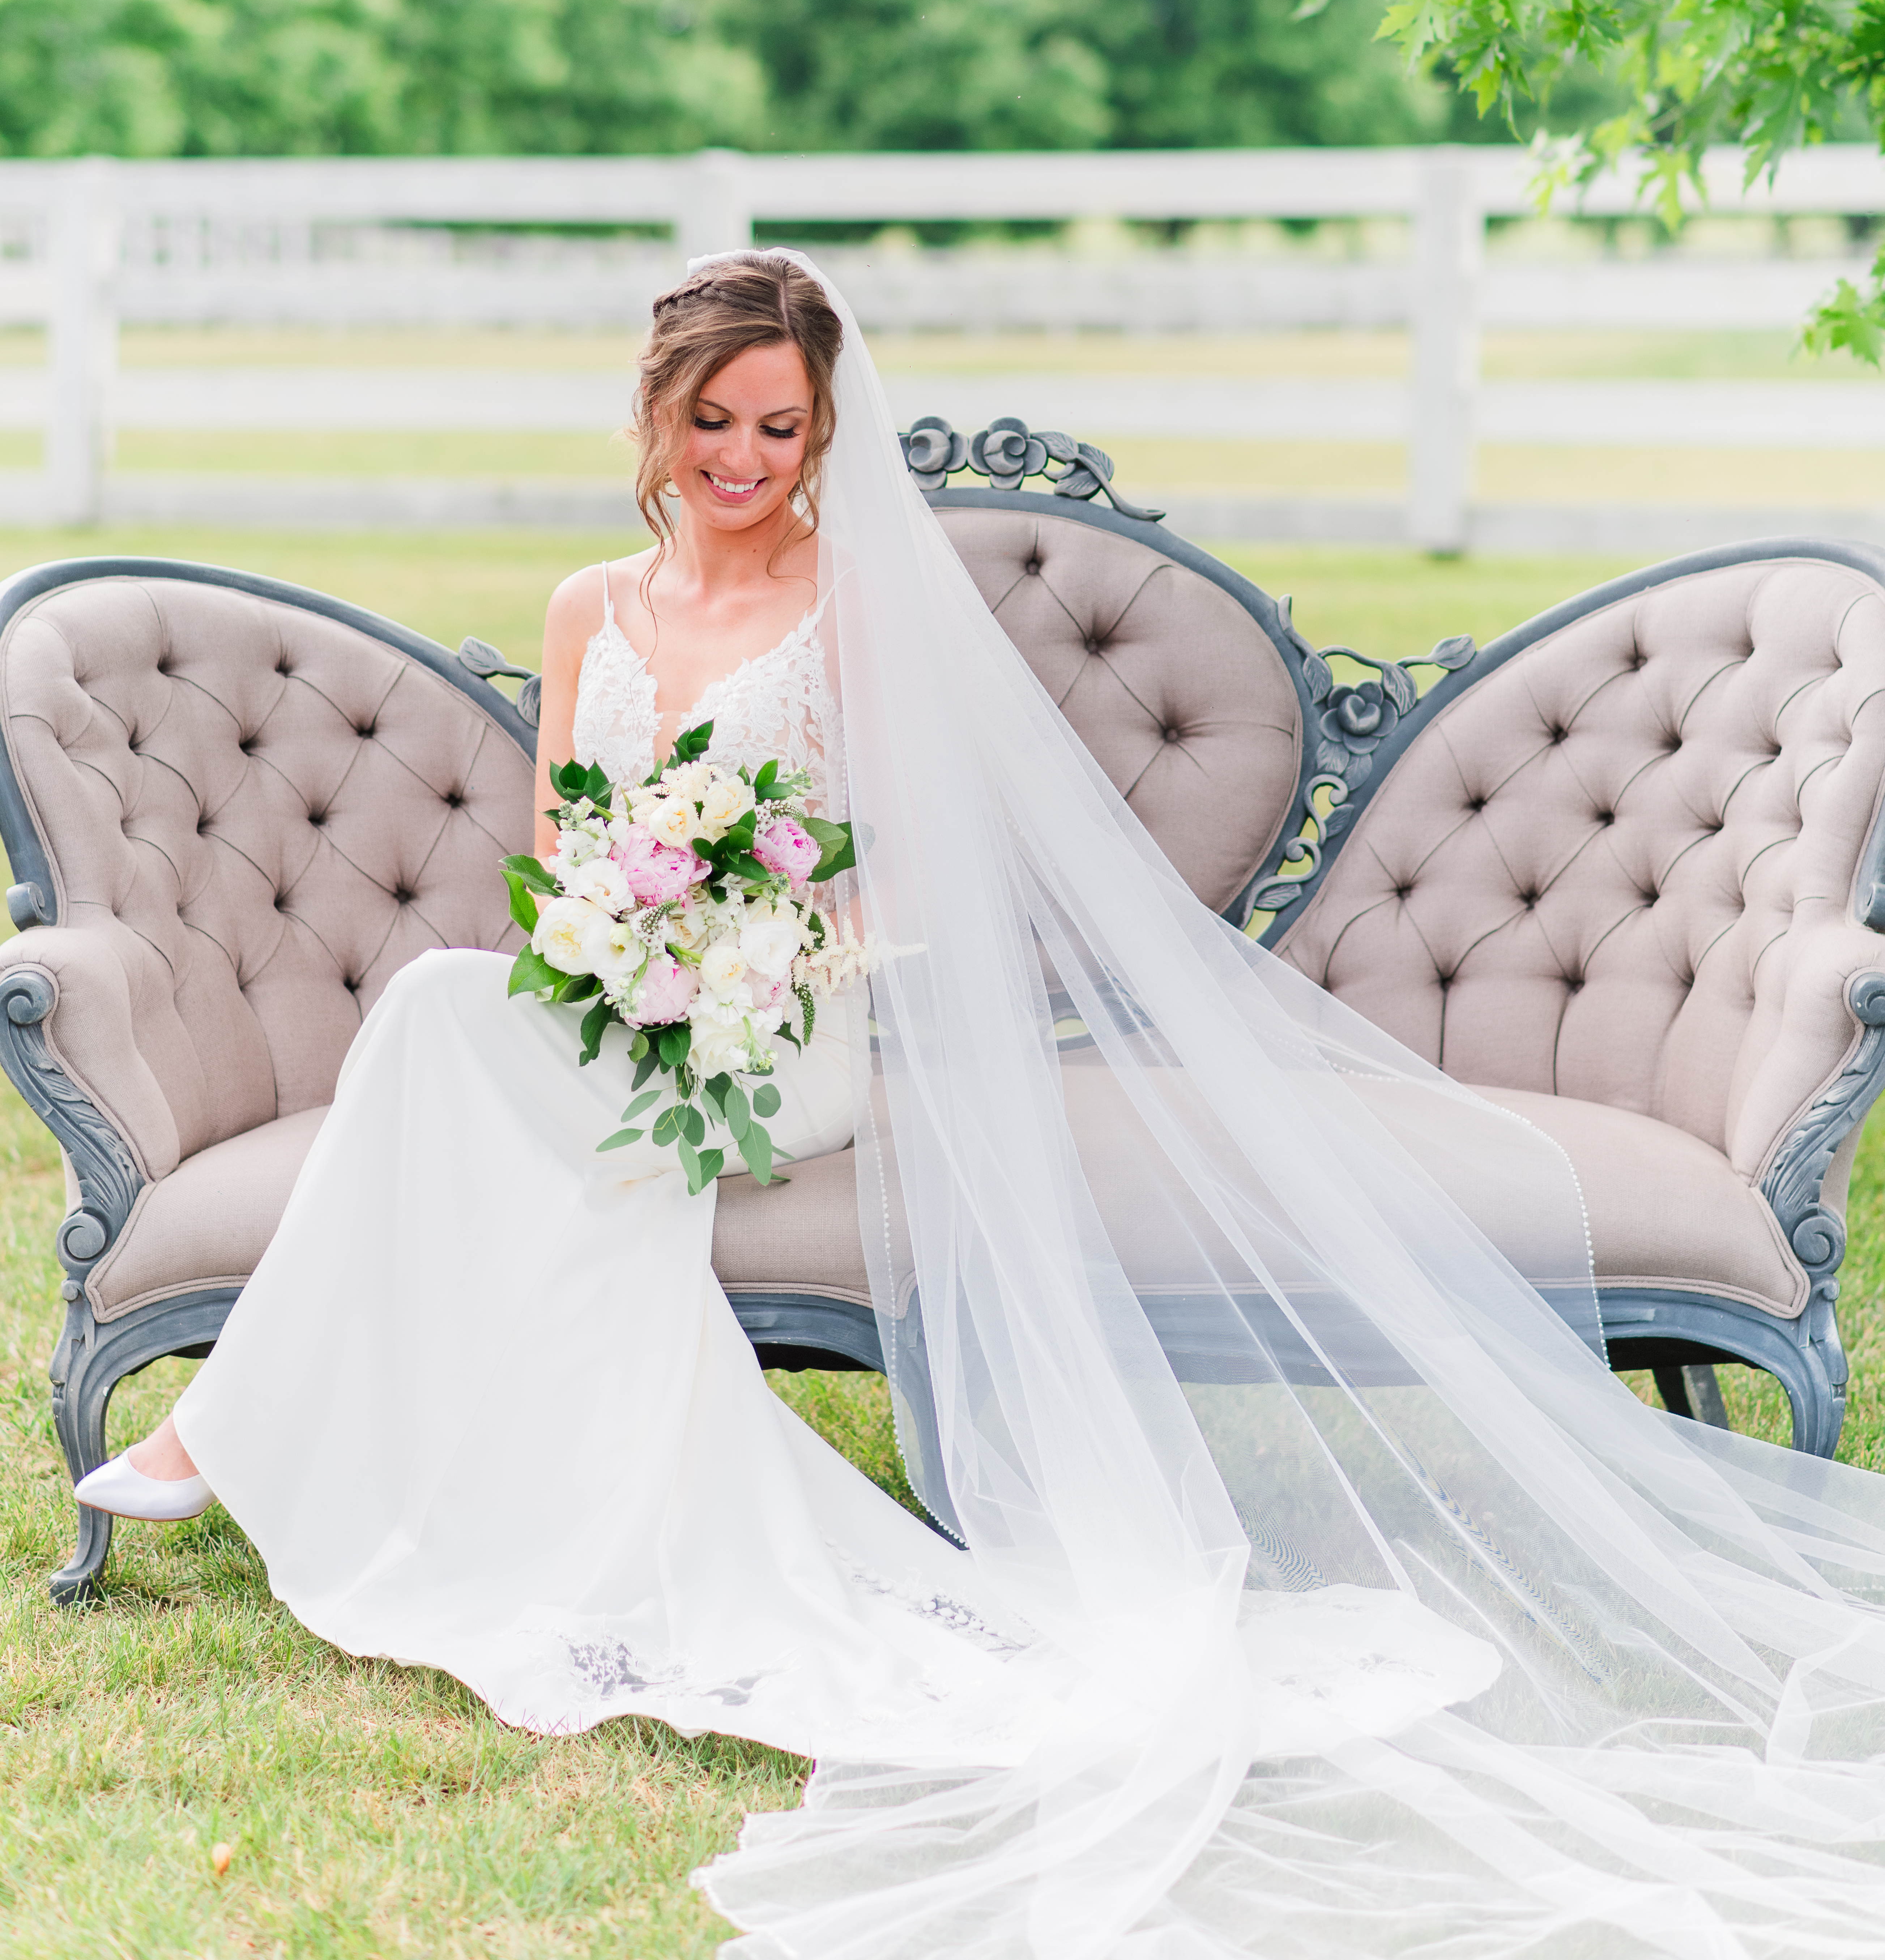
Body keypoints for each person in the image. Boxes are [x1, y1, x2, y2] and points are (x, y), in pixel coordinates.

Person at [66, 252, 1885, 1957]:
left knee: (444, 1029)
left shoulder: (849, 608)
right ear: (657, 415)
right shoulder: (584, 609)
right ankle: (262, 1420)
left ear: (821, 435)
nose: (744, 460)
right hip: (610, 992)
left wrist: (741, 945)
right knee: (462, 1011)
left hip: (791, 1023)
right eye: (714, 421)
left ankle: (231, 1417)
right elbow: (558, 856)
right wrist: (625, 935)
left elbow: (897, 893)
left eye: (782, 428)